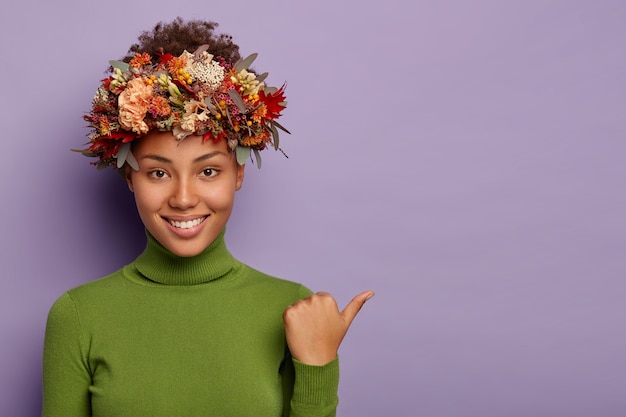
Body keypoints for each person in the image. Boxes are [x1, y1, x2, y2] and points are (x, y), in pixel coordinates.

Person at [42, 18, 374, 417]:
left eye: (208, 171)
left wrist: (319, 369)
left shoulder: (294, 309)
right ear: (130, 177)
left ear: (239, 173)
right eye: (158, 172)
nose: (183, 198)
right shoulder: (78, 316)